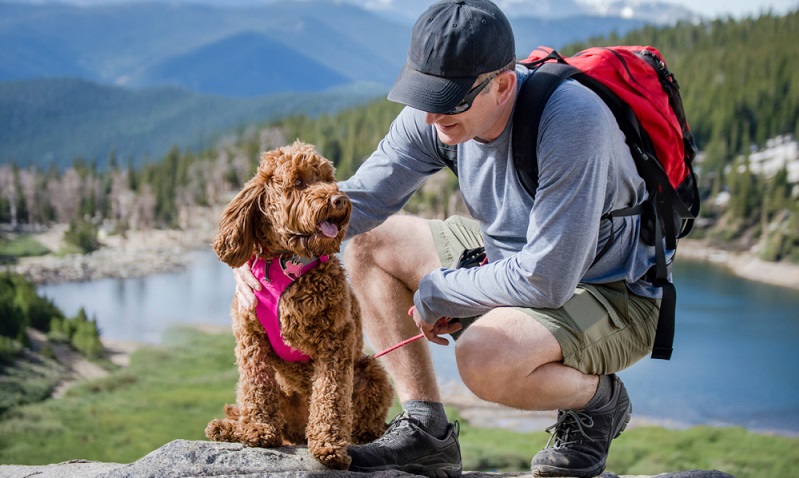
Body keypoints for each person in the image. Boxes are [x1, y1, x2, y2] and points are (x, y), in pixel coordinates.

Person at [233, 0, 664, 477]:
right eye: (424, 95)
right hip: (510, 259)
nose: (433, 116)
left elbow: (548, 279)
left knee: (483, 357)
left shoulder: (572, 121)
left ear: (503, 84)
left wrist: (439, 290)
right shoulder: (437, 113)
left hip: (610, 289)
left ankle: (599, 404)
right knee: (374, 244)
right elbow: (360, 204)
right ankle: (425, 430)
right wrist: (258, 260)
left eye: (451, 100)